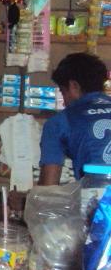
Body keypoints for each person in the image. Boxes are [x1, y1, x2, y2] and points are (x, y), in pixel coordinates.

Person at [38, 52, 111, 185]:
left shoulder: (59, 122)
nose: (64, 103)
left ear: (73, 86)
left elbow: (48, 189)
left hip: (97, 196)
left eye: (62, 92)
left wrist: (24, 196)